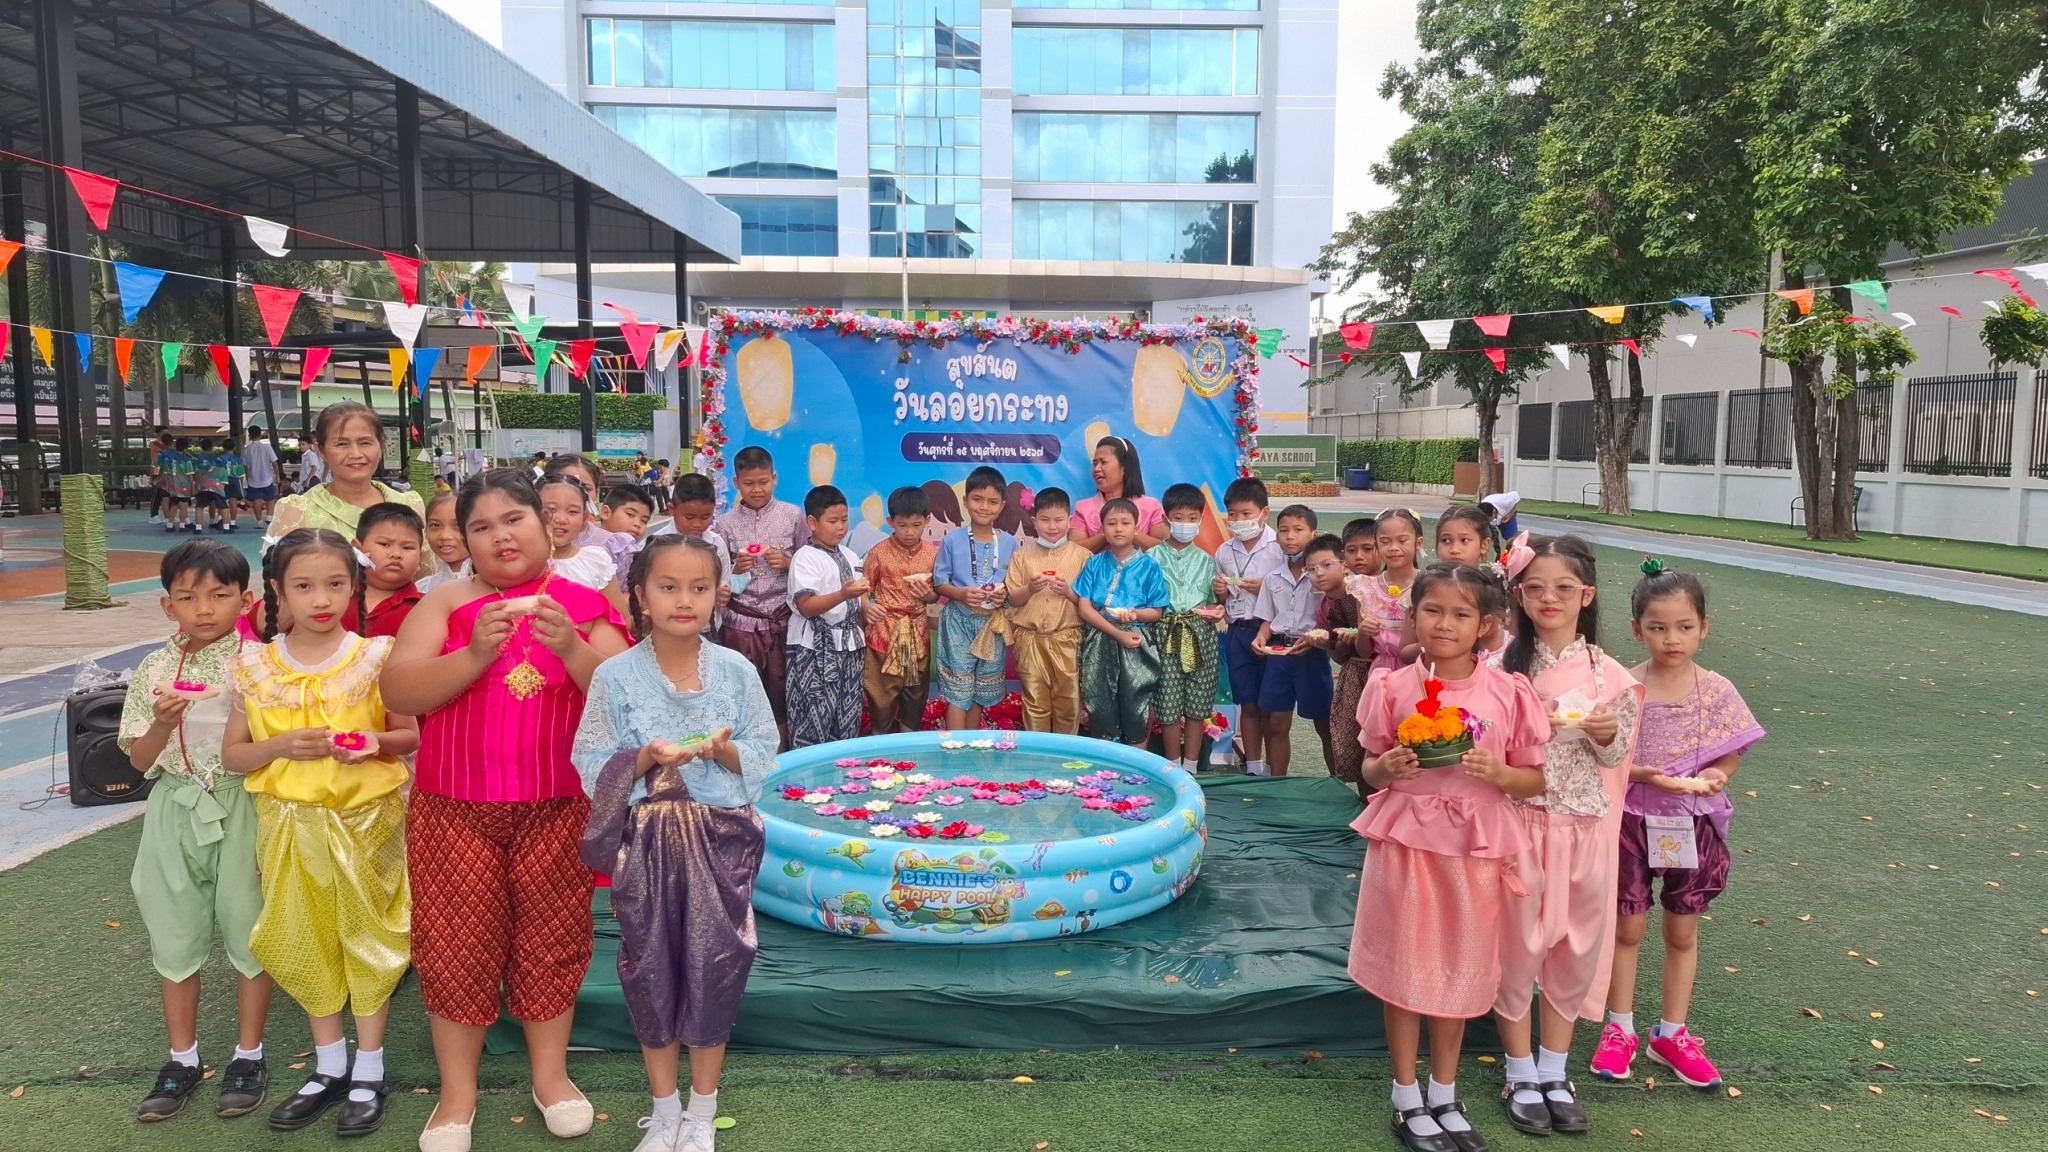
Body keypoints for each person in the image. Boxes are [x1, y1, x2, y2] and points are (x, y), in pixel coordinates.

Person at [381, 469, 630, 1151]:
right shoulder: (444, 602)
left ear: (546, 524)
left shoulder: (583, 605)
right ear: (463, 542)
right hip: (453, 808)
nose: (500, 536)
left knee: (552, 940)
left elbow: (624, 701)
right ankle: (456, 1095)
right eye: (481, 527)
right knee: (455, 946)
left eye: (513, 519)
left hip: (557, 805)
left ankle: (551, 1078)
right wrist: (473, 653)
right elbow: (399, 689)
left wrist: (571, 646)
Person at [574, 537, 776, 1152]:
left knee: (716, 964)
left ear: (718, 595)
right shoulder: (614, 676)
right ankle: (664, 1112)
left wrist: (723, 750)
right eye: (668, 587)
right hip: (647, 844)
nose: (683, 600)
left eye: (699, 587)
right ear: (640, 595)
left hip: (720, 842)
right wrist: (646, 756)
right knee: (650, 968)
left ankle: (702, 1110)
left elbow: (764, 751)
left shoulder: (737, 671)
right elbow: (589, 762)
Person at [221, 529, 418, 1137]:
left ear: (354, 586)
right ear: (277, 592)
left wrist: (373, 743)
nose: (322, 599)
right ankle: (330, 1065)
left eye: (335, 584)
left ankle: (369, 1068)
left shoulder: (376, 657)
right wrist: (278, 745)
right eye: (304, 586)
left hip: (368, 820)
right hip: (287, 824)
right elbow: (234, 756)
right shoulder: (253, 666)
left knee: (370, 934)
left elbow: (408, 734)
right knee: (302, 934)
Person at [1351, 563, 1551, 1152]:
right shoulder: (1391, 688)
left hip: (1475, 851)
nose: (1444, 624)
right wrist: (1384, 768)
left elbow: (1534, 778)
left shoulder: (1508, 692)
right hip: (1406, 845)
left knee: (1461, 968)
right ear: (1413, 616)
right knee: (1404, 967)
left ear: (1485, 625)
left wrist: (1501, 774)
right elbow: (1368, 767)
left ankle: (1445, 1092)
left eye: (1461, 614)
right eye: (1432, 610)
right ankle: (1406, 1095)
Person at [1589, 561, 1765, 1091]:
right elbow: (1604, 756)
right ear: (1636, 629)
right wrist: (1643, 774)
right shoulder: (1624, 686)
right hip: (1631, 820)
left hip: (1693, 822)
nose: (1672, 639)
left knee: (1682, 929)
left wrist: (1716, 774)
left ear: (1704, 628)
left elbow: (1730, 753)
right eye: (1658, 627)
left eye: (1685, 627)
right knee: (1627, 926)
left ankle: (1672, 1033)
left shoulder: (1716, 690)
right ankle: (1619, 1028)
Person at [1493, 536, 1643, 1137]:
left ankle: (1555, 1069)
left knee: (1575, 948)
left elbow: (1617, 753)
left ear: (1587, 594)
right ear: (1519, 596)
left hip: (1583, 827)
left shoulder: (1612, 676)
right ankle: (1519, 1069)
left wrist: (1604, 732)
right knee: (1515, 948)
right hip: (1519, 823)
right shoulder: (1499, 667)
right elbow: (1486, 742)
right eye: (1534, 588)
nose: (1548, 598)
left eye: (1562, 588)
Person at [119, 540, 274, 1123]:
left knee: (249, 928)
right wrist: (161, 725)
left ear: (246, 600)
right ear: (168, 606)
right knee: (174, 929)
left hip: (243, 805)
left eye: (219, 595)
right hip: (174, 808)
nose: (203, 609)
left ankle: (248, 1055)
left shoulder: (261, 664)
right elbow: (138, 762)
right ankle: (182, 1057)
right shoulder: (154, 669)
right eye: (187, 597)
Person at [713, 447, 808, 746]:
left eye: (763, 482)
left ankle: (782, 757)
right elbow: (718, 576)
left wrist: (789, 562)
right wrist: (736, 568)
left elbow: (810, 561)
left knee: (782, 694)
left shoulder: (793, 516)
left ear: (774, 479)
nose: (757, 489)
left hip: (782, 620)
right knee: (741, 695)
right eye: (749, 483)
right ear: (736, 482)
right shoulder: (725, 524)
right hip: (740, 624)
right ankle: (745, 757)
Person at [1073, 499, 1169, 746]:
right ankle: (1105, 763)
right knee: (1100, 702)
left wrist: (1136, 615)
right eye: (1111, 523)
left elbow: (1157, 611)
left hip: (1136, 640)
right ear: (1102, 529)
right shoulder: (1094, 563)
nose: (1118, 529)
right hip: (1099, 638)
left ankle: (1138, 762)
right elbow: (1085, 608)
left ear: (1136, 527)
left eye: (1125, 523)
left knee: (1136, 703)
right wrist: (1117, 634)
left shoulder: (1149, 566)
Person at [1247, 507, 1331, 777]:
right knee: (1276, 722)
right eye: (1283, 530)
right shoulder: (1273, 578)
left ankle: (1337, 781)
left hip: (1312, 655)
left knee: (1324, 723)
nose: (1290, 536)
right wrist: (1261, 636)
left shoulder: (1322, 577)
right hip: (1279, 654)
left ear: (1314, 534)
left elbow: (1331, 617)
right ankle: (1278, 782)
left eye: (1298, 530)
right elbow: (1268, 619)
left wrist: (1316, 638)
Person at [932, 465, 1017, 730]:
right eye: (977, 499)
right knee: (959, 690)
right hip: (958, 621)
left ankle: (972, 747)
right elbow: (939, 582)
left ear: (1002, 506)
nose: (984, 507)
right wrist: (959, 594)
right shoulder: (952, 540)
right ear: (965, 501)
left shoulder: (1010, 543)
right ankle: (955, 749)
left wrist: (1004, 594)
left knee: (980, 691)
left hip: (992, 624)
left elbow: (1013, 586)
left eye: (992, 501)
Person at [785, 485, 868, 747]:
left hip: (851, 646)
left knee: (848, 715)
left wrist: (868, 607)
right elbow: (805, 605)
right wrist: (843, 594)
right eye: (833, 521)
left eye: (844, 519)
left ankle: (843, 768)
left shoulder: (851, 555)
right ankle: (808, 772)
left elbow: (859, 596)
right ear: (812, 522)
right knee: (812, 716)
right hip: (814, 649)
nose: (840, 527)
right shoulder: (805, 557)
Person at [1004, 487, 1092, 734]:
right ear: (1034, 521)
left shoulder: (1083, 557)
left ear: (1069, 520)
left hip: (1068, 639)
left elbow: (1090, 604)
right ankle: (1037, 753)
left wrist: (1068, 592)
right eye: (1045, 520)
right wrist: (1030, 588)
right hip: (1030, 639)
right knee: (1035, 702)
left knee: (1069, 702)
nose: (1052, 526)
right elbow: (1013, 599)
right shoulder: (1022, 556)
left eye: (1058, 520)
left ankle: (1067, 752)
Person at [269, 403, 422, 540]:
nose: (355, 454)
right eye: (342, 444)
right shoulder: (296, 511)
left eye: (365, 443)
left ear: (381, 446)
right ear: (322, 451)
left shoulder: (409, 505)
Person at [1213, 477, 1283, 774]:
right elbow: (1223, 600)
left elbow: (1292, 590)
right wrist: (1220, 591)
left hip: (1272, 633)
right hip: (1238, 632)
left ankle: (1276, 771)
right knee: (1248, 703)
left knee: (1273, 706)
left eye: (1246, 513)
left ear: (1264, 513)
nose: (1239, 520)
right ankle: (1253, 766)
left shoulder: (1279, 547)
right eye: (1233, 514)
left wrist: (1266, 587)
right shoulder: (1224, 551)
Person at [1152, 483, 1221, 770]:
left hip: (1200, 634)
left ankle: (1191, 767)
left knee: (1197, 702)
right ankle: (1172, 767)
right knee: (1167, 702)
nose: (1186, 523)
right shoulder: (1151, 558)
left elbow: (1215, 602)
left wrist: (1219, 609)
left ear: (1201, 519)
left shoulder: (1208, 561)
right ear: (1166, 519)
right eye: (1179, 517)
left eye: (1192, 518)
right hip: (1163, 633)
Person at [862, 486, 939, 735]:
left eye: (916, 525)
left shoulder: (932, 554)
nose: (909, 532)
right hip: (883, 635)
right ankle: (879, 749)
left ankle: (910, 750)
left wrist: (928, 596)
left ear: (927, 521)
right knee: (880, 700)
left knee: (914, 699)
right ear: (890, 522)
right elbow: (863, 587)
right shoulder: (878, 552)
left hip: (918, 635)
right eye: (902, 525)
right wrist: (867, 606)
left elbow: (937, 593)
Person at [538, 472, 623, 606]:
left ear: (584, 515)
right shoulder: (518, 563)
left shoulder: (595, 562)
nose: (561, 519)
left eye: (573, 511)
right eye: (551, 509)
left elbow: (619, 617)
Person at [1072, 436, 1167, 551]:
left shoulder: (1151, 506)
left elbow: (1166, 549)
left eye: (1103, 462)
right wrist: (1106, 534)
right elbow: (1073, 551)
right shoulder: (1083, 508)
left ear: (1124, 467)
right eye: (1095, 463)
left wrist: (1130, 532)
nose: (1097, 469)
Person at [1360, 509, 1423, 675]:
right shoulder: (1365, 588)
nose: (1394, 548)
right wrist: (1362, 633)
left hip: (1418, 671)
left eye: (1402, 540)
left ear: (1418, 543)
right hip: (1381, 673)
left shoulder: (1429, 586)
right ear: (1376, 545)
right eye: (1385, 542)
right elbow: (1364, 652)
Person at [351, 503, 428, 638]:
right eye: (385, 544)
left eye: (407, 547)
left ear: (420, 558)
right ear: (357, 549)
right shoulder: (336, 596)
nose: (396, 554)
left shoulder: (425, 608)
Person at [599, 483, 659, 582]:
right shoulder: (584, 546)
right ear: (606, 513)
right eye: (630, 514)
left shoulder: (638, 555)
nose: (637, 524)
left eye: (644, 521)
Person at [417, 491, 470, 594]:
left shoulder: (494, 585)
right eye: (435, 525)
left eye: (457, 525)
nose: (445, 536)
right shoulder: (422, 589)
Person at [243, 426, 280, 527]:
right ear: (260, 435)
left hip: (253, 478)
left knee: (256, 499)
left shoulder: (247, 449)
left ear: (250, 436)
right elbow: (274, 462)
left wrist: (247, 476)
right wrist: (277, 475)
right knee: (270, 498)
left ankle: (259, 522)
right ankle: (269, 517)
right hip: (267, 477)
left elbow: (245, 465)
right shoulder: (267, 447)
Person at [159, 436, 194, 533]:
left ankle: (169, 525)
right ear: (185, 448)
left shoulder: (168, 459)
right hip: (184, 486)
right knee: (183, 505)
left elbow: (166, 473)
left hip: (172, 486)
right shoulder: (186, 460)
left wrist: (167, 485)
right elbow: (190, 475)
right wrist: (192, 486)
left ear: (175, 446)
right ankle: (182, 526)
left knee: (174, 504)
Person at [191, 439, 226, 533]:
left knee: (199, 506)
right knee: (218, 504)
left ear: (201, 447)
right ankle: (215, 522)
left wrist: (194, 483)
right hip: (216, 484)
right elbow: (221, 470)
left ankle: (198, 528)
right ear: (212, 447)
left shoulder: (195, 459)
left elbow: (193, 472)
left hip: (202, 485)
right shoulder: (218, 459)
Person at [218, 437, 246, 532]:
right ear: (234, 447)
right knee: (233, 501)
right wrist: (240, 484)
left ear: (223, 447)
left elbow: (217, 472)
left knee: (221, 501)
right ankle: (233, 523)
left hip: (222, 481)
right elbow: (241, 474)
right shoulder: (238, 459)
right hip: (235, 480)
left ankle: (221, 520)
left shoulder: (219, 459)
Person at [148, 428, 174, 524]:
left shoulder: (168, 445)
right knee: (157, 494)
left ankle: (170, 514)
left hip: (167, 473)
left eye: (167, 432)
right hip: (157, 471)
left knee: (168, 495)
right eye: (164, 432)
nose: (166, 433)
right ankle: (154, 515)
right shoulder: (155, 444)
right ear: (158, 434)